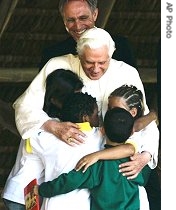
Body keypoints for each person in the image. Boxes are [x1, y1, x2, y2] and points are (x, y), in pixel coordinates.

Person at [34, 107, 150, 210]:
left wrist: (41, 190)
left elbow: (69, 181)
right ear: (131, 133)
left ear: (102, 130)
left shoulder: (96, 166)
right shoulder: (136, 163)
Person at [1, 69, 84, 210]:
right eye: (73, 97)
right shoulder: (53, 128)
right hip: (24, 195)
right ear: (55, 99)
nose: (78, 100)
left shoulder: (38, 121)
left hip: (21, 192)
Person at [39, 0, 137, 70]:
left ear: (95, 14)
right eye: (71, 20)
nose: (77, 26)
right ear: (64, 20)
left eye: (83, 18)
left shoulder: (121, 47)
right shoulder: (52, 55)